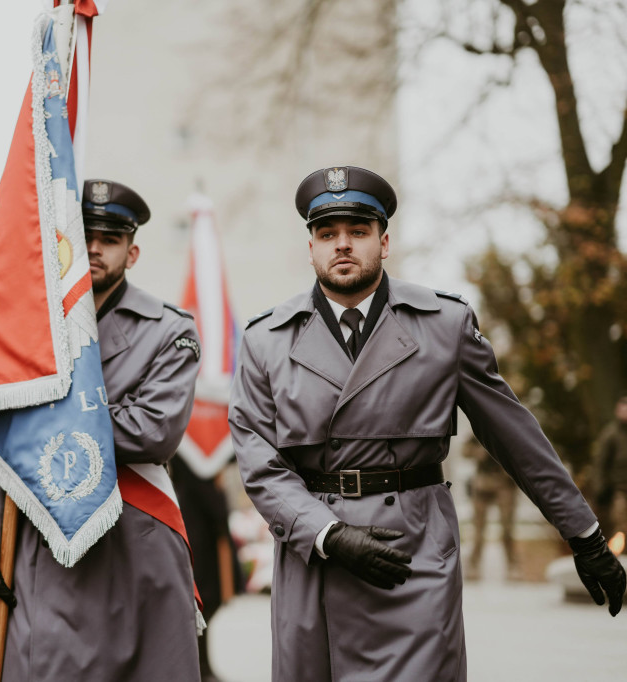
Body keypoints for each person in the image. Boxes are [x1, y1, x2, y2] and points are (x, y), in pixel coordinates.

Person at [228, 165, 625, 681]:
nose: (342, 245)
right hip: (315, 557)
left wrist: (586, 535)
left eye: (358, 232)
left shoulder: (445, 326)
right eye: (328, 234)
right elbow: (259, 462)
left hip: (413, 553)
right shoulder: (266, 341)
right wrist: (327, 533)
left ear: (384, 242)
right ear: (311, 249)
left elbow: (516, 437)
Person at [0, 179, 204, 681]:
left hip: (134, 539)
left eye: (110, 238)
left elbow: (154, 432)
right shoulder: (28, 329)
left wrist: (39, 422)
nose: (94, 247)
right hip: (43, 540)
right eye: (84, 233)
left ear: (132, 252)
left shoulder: (168, 329)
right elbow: (2, 444)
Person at [170, 455, 239, 682]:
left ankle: (202, 666)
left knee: (204, 607)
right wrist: (220, 509)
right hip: (200, 534)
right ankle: (199, 668)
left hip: (199, 529)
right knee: (201, 604)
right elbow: (202, 485)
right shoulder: (188, 449)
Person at [462, 435, 521, 581]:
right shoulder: (479, 430)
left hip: (505, 483)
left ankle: (513, 565)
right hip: (482, 483)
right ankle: (473, 565)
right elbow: (464, 451)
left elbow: (520, 450)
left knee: (507, 528)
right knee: (478, 529)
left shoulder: (507, 429)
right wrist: (478, 451)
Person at [592, 394, 627, 539]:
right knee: (621, 529)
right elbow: (600, 464)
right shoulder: (611, 434)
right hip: (619, 491)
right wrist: (601, 490)